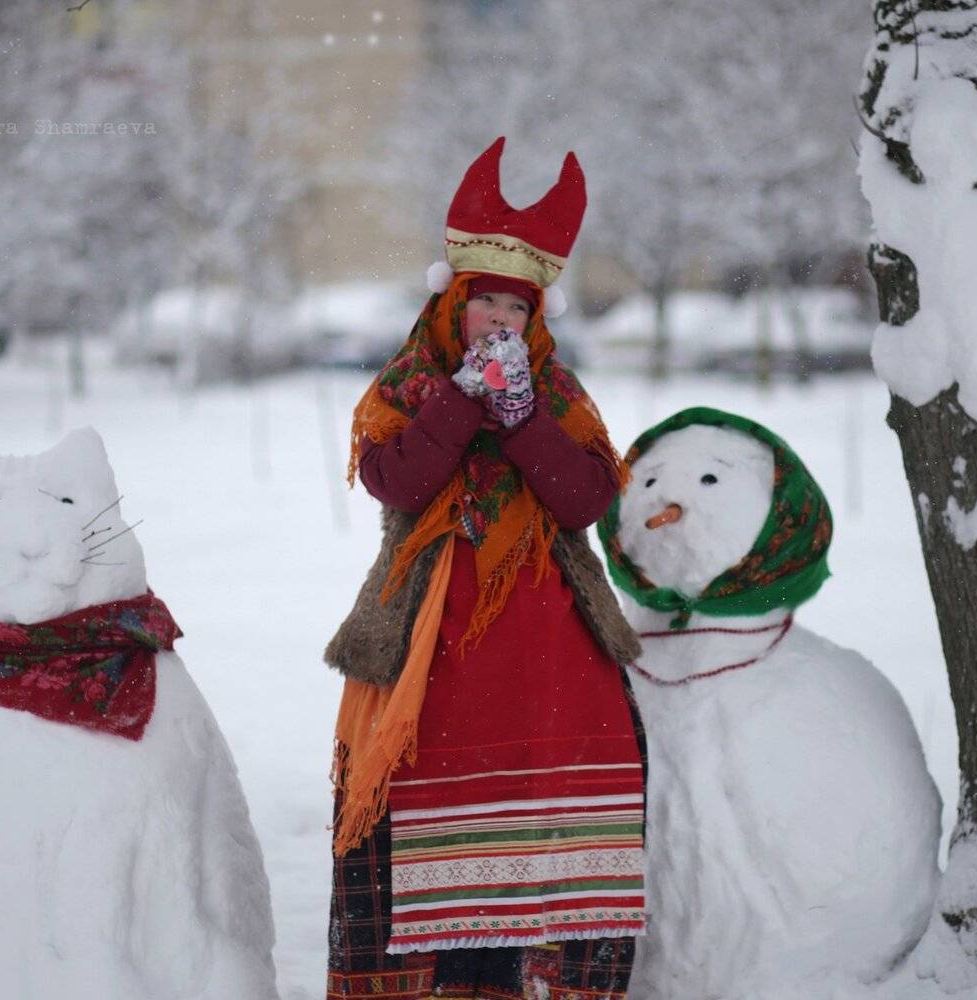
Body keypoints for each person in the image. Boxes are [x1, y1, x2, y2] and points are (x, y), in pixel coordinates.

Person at [324, 137, 646, 1000]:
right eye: (484, 303)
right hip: (433, 637)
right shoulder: (408, 382)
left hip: (547, 643)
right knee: (429, 819)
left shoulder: (559, 392)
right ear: (453, 303)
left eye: (517, 305)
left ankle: (530, 974)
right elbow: (393, 480)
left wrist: (523, 418)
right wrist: (463, 402)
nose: (498, 320)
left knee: (532, 830)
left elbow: (582, 500)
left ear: (537, 315)